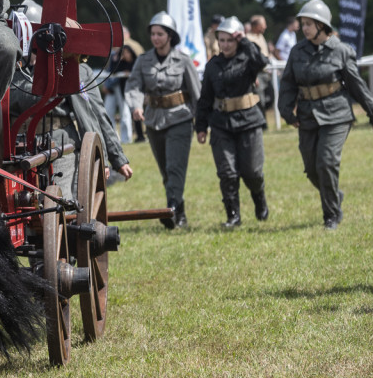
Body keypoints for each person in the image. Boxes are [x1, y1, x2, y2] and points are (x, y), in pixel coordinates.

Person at [277, 0, 373, 229]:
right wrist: (286, 111)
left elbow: (356, 85)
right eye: (302, 23)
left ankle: (331, 216)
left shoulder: (341, 51)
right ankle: (334, 194)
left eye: (308, 24)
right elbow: (287, 84)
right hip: (307, 115)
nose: (303, 28)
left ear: (322, 26)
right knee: (312, 169)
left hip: (337, 114)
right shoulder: (297, 52)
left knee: (326, 162)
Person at [8, 3, 132, 197]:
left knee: (60, 203)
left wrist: (115, 158)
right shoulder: (9, 70)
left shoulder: (76, 72)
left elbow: (95, 115)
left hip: (59, 144)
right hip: (14, 147)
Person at [124, 12, 201, 229]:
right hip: (154, 121)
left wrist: (202, 123)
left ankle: (171, 209)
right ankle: (180, 211)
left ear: (170, 36)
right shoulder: (143, 60)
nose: (156, 38)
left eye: (160, 34)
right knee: (166, 172)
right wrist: (136, 106)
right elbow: (134, 86)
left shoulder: (183, 61)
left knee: (175, 167)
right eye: (153, 34)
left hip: (180, 119)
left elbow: (197, 93)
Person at [194, 16, 269, 228]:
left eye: (230, 40)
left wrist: (244, 40)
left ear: (237, 40)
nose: (225, 44)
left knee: (252, 172)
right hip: (220, 124)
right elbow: (205, 98)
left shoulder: (248, 58)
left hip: (249, 122)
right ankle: (233, 216)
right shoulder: (212, 66)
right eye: (222, 40)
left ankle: (259, 198)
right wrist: (201, 127)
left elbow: (263, 62)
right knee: (227, 173)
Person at [103, 26, 144, 144]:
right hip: (115, 85)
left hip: (126, 86)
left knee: (126, 112)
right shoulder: (115, 50)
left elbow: (136, 65)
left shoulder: (131, 47)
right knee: (111, 112)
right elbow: (110, 70)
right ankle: (114, 139)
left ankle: (126, 139)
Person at [246, 14, 274, 113]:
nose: (265, 27)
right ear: (256, 26)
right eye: (263, 24)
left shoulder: (261, 36)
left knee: (271, 97)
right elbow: (249, 60)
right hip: (257, 73)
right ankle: (262, 124)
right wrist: (254, 76)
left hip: (266, 72)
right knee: (260, 100)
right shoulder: (248, 39)